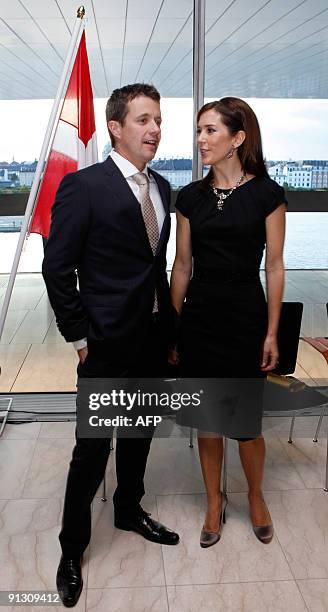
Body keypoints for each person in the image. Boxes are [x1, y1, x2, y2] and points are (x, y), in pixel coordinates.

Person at [42, 83, 179, 608]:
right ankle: (71, 548)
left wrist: (169, 332)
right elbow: (58, 267)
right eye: (144, 120)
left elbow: (155, 268)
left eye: (159, 120)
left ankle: (128, 510)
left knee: (140, 434)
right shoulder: (85, 186)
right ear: (116, 128)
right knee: (92, 451)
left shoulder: (162, 188)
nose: (155, 129)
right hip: (102, 345)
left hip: (150, 340)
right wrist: (80, 338)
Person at [170, 97, 286, 548]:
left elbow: (275, 266)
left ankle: (256, 496)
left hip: (246, 318)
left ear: (237, 139)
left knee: (247, 423)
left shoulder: (267, 194)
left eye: (210, 131)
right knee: (208, 420)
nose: (201, 139)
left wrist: (272, 331)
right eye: (198, 130)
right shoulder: (190, 198)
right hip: (199, 318)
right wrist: (174, 327)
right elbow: (181, 265)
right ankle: (213, 502)